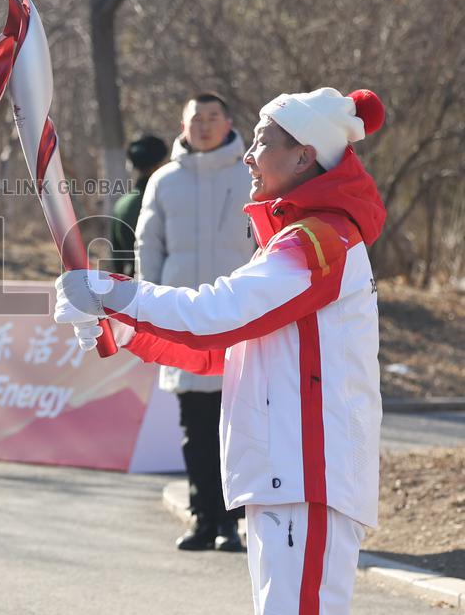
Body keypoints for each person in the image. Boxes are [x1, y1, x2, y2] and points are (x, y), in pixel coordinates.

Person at [54, 88, 386, 615]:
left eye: (262, 141)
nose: (250, 155)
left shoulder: (322, 241)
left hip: (307, 472)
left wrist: (116, 294)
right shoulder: (293, 240)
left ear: (304, 155)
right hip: (284, 474)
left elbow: (217, 315)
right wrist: (121, 325)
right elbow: (224, 351)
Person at [135, 92, 254, 552]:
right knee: (196, 428)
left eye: (212, 117)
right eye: (195, 119)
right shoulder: (165, 181)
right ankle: (204, 519)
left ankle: (234, 523)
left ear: (229, 122)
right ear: (183, 126)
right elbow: (149, 248)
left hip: (240, 319)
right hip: (183, 321)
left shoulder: (252, 175)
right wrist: (151, 306)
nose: (204, 126)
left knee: (239, 428)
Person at [102, 135, 168, 276]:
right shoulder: (165, 200)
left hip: (131, 285)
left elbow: (116, 261)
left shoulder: (122, 204)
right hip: (163, 286)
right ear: (160, 165)